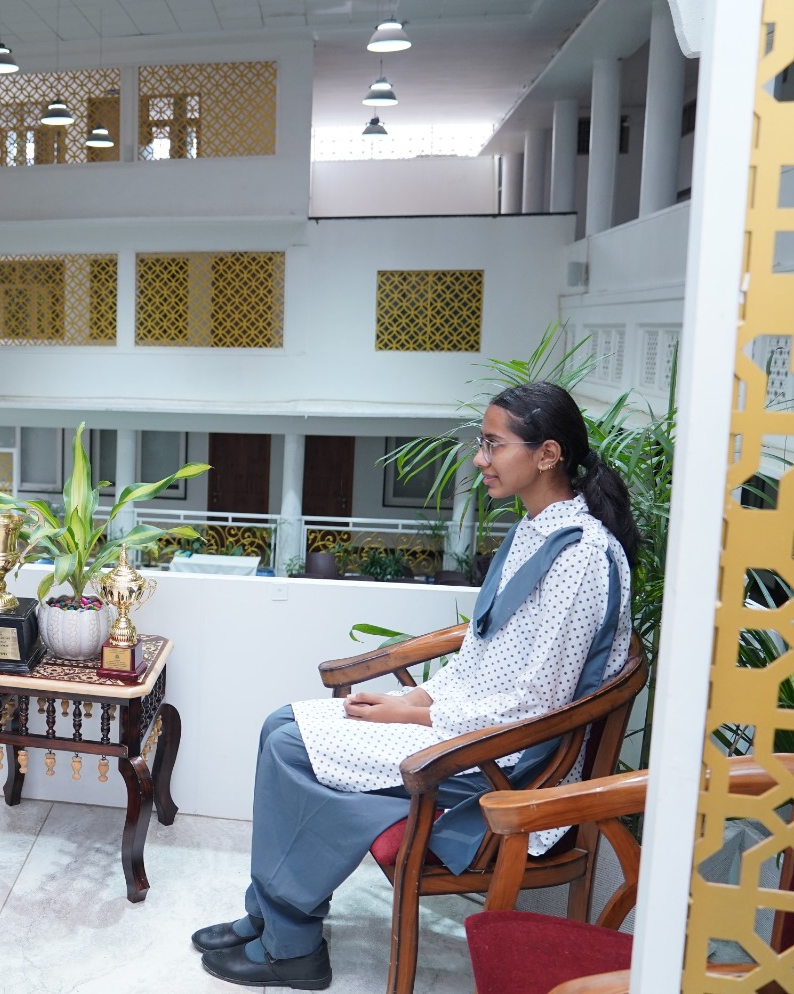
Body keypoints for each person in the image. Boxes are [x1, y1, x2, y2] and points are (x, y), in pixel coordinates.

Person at [194, 381, 638, 988]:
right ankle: (272, 916)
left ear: (547, 454)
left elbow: (538, 705)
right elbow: (482, 654)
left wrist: (414, 717)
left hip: (504, 760)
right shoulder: (537, 531)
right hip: (470, 729)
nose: (479, 459)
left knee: (292, 746)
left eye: (493, 444)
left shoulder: (581, 557)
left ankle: (291, 946)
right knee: (281, 725)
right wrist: (415, 697)